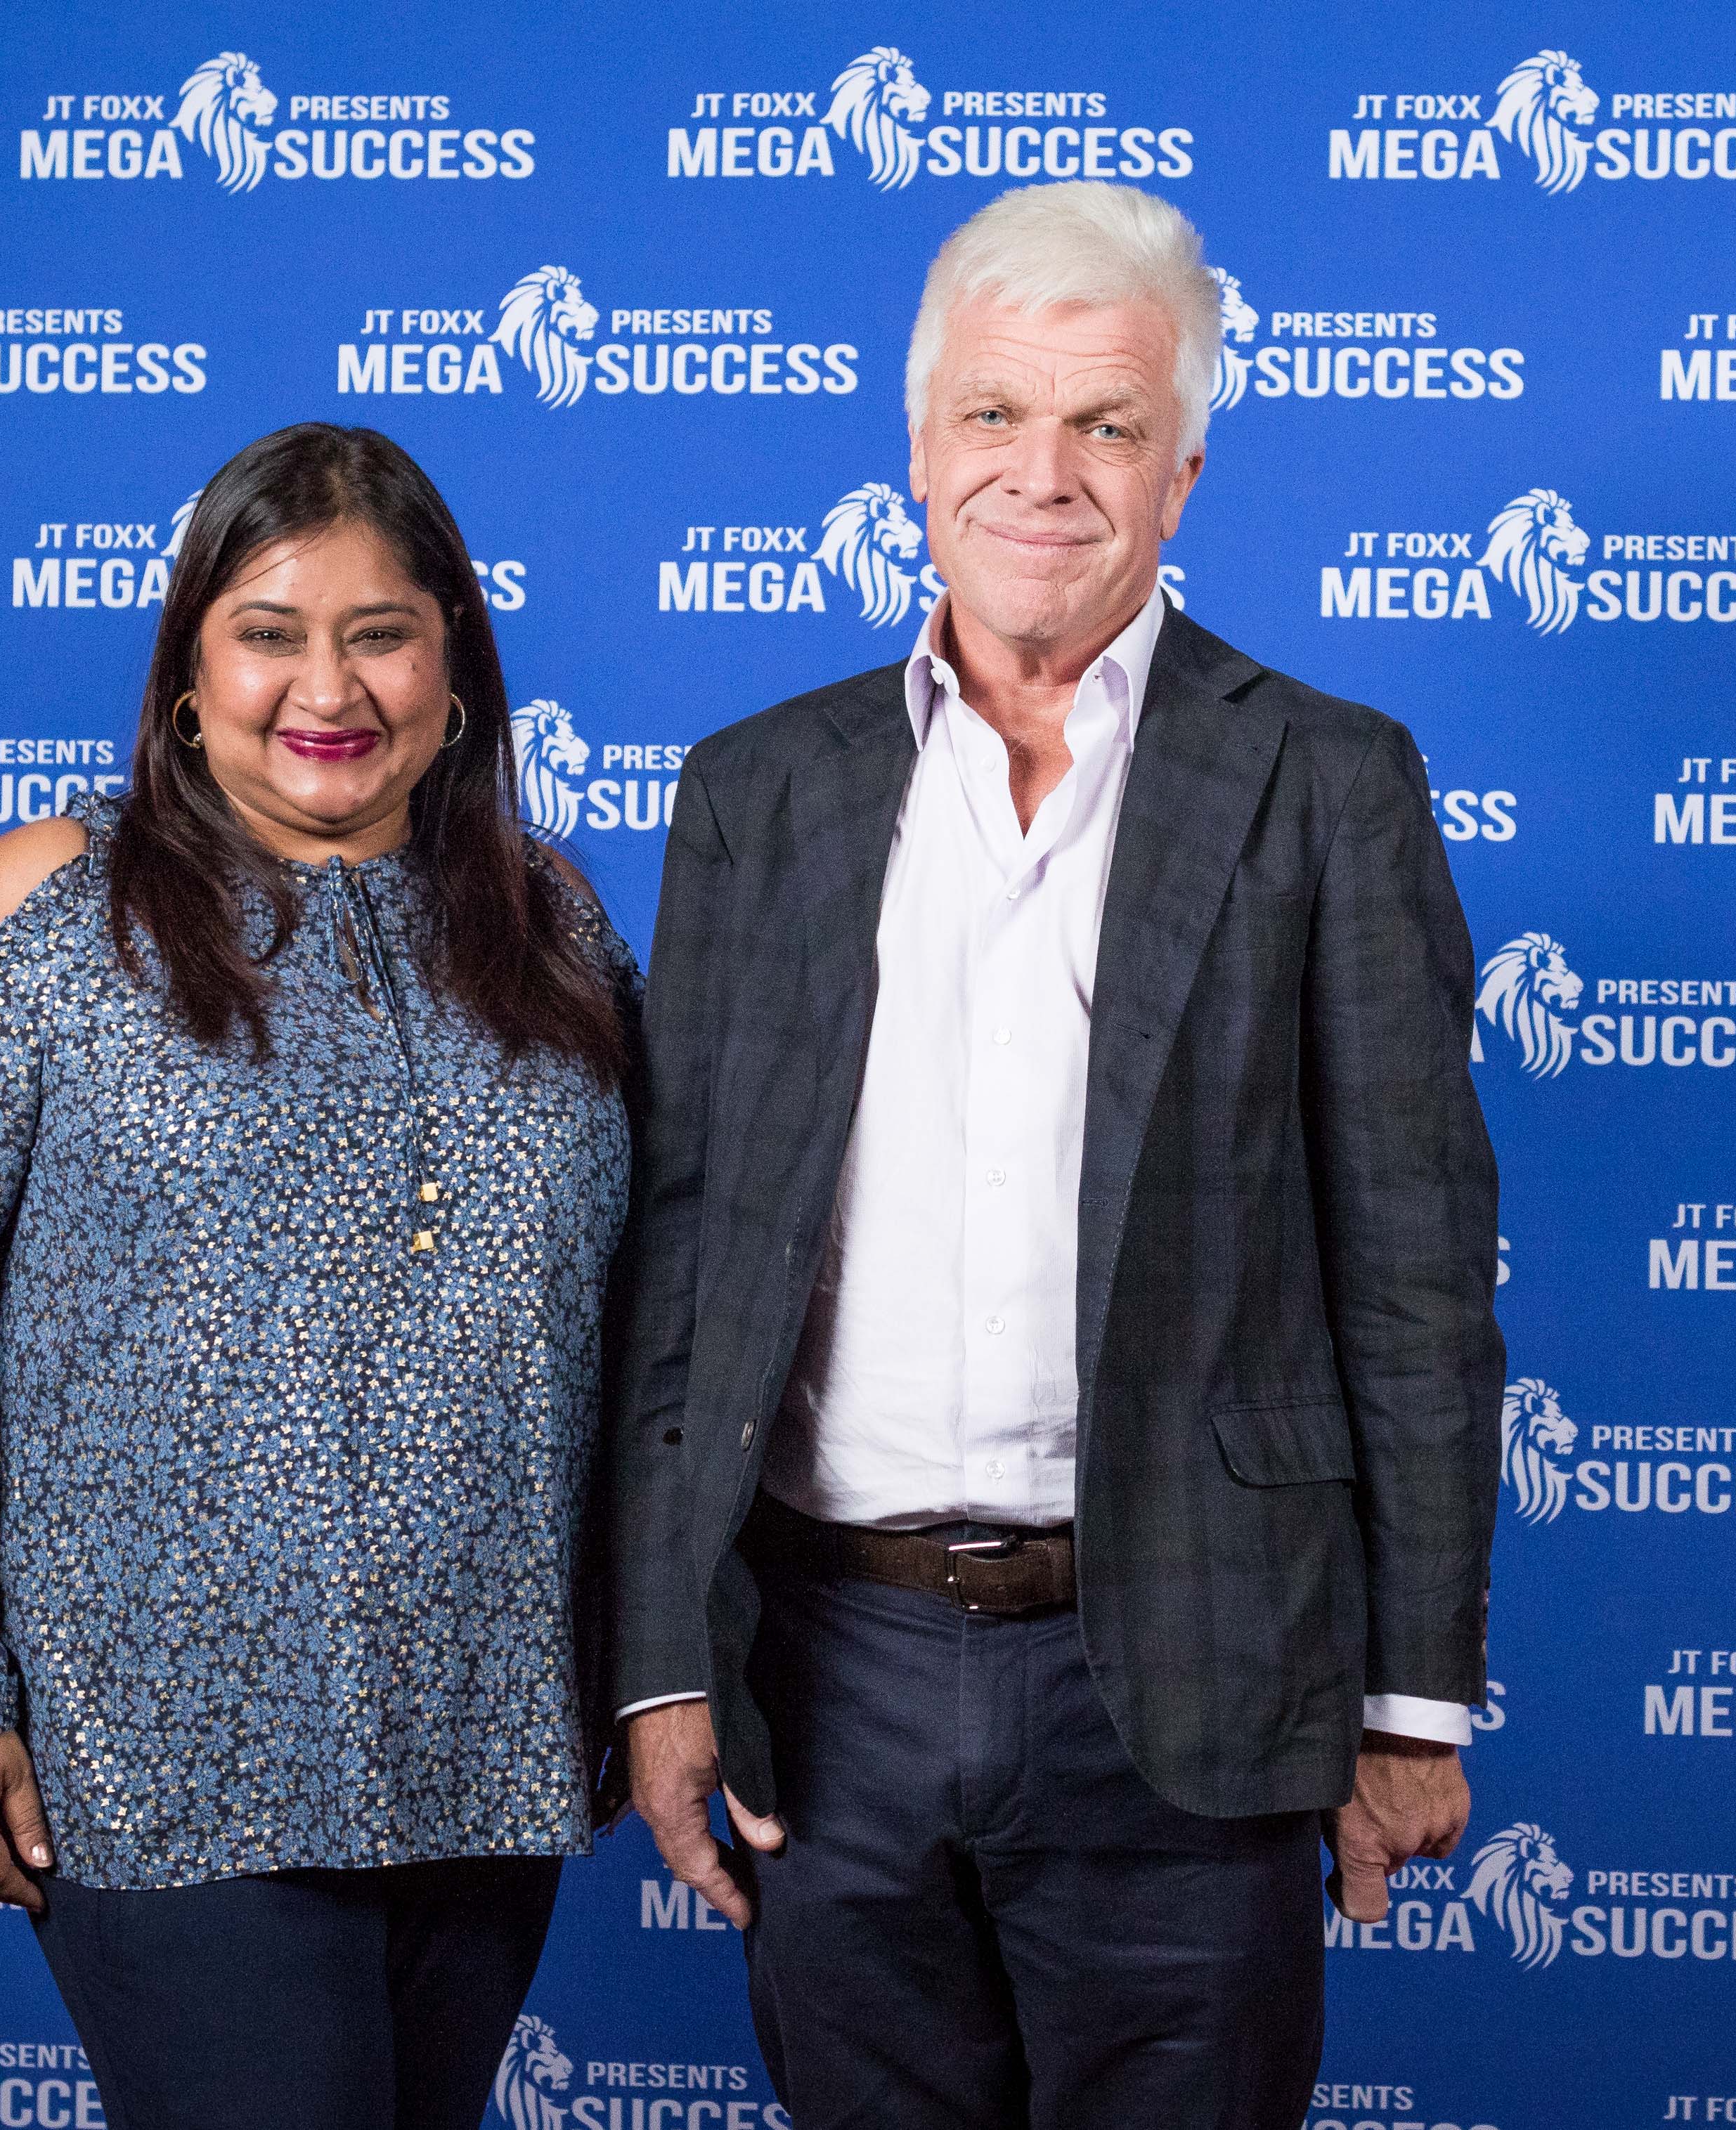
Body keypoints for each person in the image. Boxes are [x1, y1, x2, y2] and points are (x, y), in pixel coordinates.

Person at [610, 182, 1506, 2129]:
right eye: (995, 415)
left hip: (1191, 1675)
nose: (1044, 472)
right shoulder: (756, 789)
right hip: (821, 1677)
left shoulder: (1326, 782)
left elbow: (1416, 1278)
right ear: (917, 450)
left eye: (1107, 425)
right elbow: (681, 1261)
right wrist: (663, 1665)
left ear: (1182, 472)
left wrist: (1409, 1704)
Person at [0, 424, 637, 2130]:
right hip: (166, 1750)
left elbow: (643, 1315)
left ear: (456, 668)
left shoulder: (550, 920)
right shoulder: (50, 906)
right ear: (189, 673)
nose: (326, 687)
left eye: (381, 633)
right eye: (269, 634)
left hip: (487, 1743)